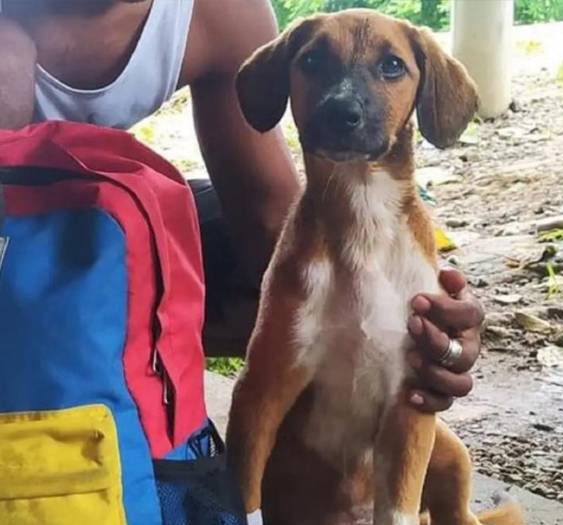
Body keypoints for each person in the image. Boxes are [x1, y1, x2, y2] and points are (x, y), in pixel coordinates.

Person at [0, 0, 483, 412]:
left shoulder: (217, 12)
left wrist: (409, 323)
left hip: (84, 218)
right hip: (16, 227)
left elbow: (268, 218)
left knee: (295, 280)